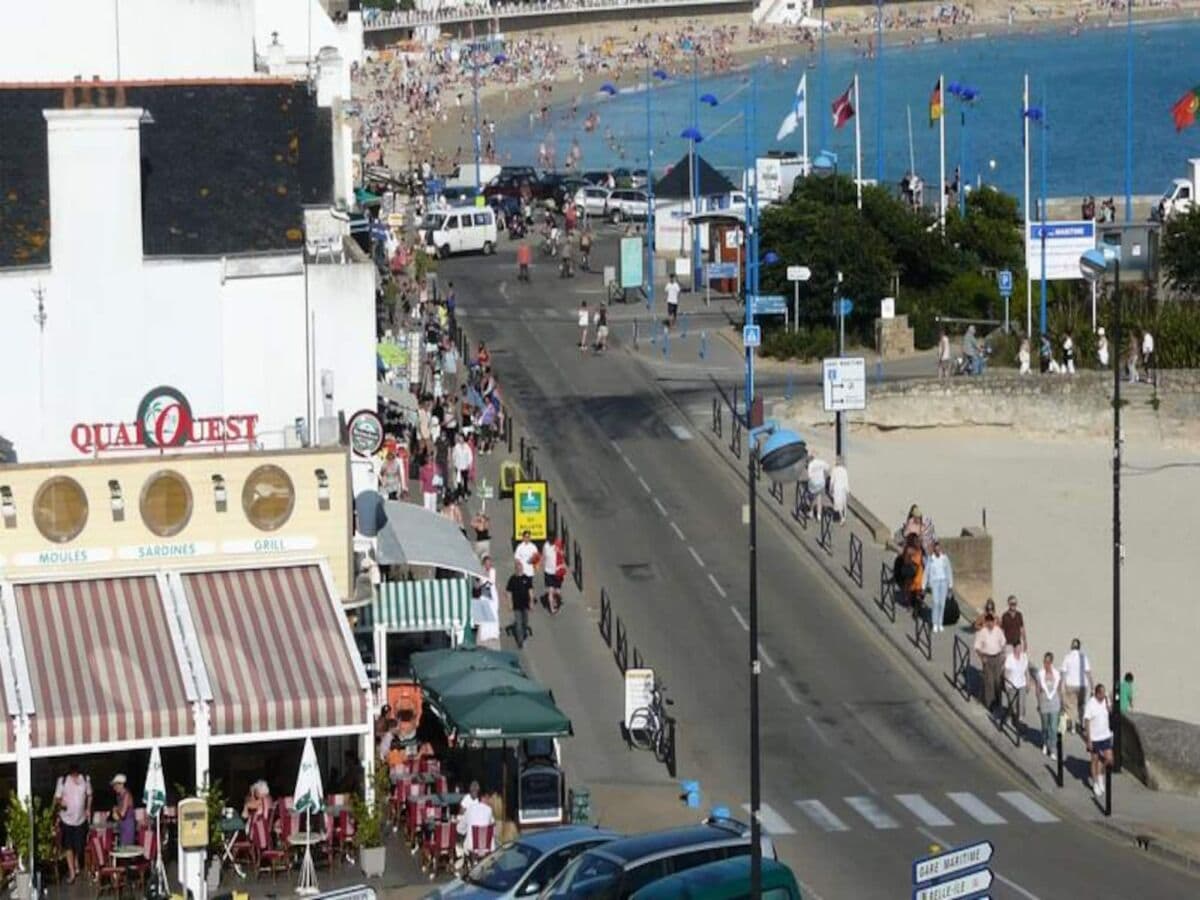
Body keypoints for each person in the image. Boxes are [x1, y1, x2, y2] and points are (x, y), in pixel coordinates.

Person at [55, 761, 92, 883]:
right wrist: (61, 803)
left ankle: (76, 862)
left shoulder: (85, 779)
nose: (74, 771)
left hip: (80, 819)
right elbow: (57, 798)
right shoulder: (63, 780)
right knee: (68, 846)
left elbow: (90, 795)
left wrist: (88, 808)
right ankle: (71, 872)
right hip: (66, 819)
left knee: (79, 846)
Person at [1084, 684, 1114, 798]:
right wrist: (1089, 739)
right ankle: (1096, 782)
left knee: (1109, 759)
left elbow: (1110, 712)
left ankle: (1100, 775)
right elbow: (1086, 721)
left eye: (1104, 693)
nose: (1103, 695)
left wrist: (1108, 703)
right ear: (1096, 693)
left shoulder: (1105, 700)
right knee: (1095, 760)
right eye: (1101, 693)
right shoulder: (1090, 704)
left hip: (1105, 735)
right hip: (1095, 737)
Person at [973, 613, 1006, 712]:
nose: (990, 623)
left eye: (992, 621)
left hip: (997, 657)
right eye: (989, 621)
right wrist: (982, 657)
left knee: (998, 681)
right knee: (989, 681)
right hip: (987, 658)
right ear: (986, 622)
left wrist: (1002, 654)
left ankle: (998, 701)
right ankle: (990, 704)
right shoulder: (982, 632)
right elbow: (977, 647)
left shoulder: (998, 630)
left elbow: (1003, 642)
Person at [1060, 638, 1092, 733]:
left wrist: (1062, 685)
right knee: (1081, 705)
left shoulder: (1067, 657)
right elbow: (1088, 672)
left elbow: (1063, 673)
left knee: (1071, 706)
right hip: (1082, 685)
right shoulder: (1083, 657)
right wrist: (1092, 685)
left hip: (1070, 684)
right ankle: (1082, 724)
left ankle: (1073, 726)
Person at [922, 539, 953, 633]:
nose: (938, 550)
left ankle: (940, 623)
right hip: (935, 582)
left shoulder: (945, 558)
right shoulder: (931, 559)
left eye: (939, 548)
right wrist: (923, 586)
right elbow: (926, 573)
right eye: (936, 548)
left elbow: (949, 571)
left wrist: (950, 585)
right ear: (934, 550)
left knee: (942, 603)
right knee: (935, 602)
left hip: (943, 582)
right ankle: (935, 623)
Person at [1035, 651, 1063, 757]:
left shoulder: (1056, 674)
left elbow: (1059, 690)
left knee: (1053, 727)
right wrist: (1038, 703)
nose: (1046, 664)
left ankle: (1053, 748)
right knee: (1045, 726)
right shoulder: (1040, 674)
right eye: (1044, 661)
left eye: (1048, 662)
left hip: (1055, 703)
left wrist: (1061, 704)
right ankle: (1045, 743)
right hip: (1044, 703)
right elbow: (1038, 690)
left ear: (1051, 662)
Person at [505, 568, 534, 648]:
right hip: (516, 605)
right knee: (518, 623)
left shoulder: (526, 578)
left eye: (520, 568)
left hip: (525, 605)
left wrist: (531, 602)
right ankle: (520, 641)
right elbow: (509, 592)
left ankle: (523, 633)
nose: (519, 570)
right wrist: (509, 603)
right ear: (515, 569)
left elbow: (530, 591)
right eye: (518, 569)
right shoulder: (512, 579)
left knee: (525, 621)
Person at [1004, 641, 1030, 726]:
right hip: (1012, 684)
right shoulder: (1010, 658)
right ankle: (1010, 717)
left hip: (1022, 684)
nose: (1019, 649)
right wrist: (1006, 684)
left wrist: (1028, 682)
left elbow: (1026, 671)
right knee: (1013, 704)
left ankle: (1020, 719)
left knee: (1022, 703)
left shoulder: (1024, 657)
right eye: (1018, 647)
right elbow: (1006, 672)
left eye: (1020, 647)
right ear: (1014, 648)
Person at [111, 774, 136, 847]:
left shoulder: (126, 795)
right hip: (122, 824)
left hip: (128, 825)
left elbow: (122, 814)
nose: (114, 788)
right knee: (122, 847)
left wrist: (116, 809)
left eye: (115, 785)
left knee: (127, 849)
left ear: (121, 785)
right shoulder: (119, 796)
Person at [542, 536, 564, 614]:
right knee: (551, 591)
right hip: (549, 572)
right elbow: (544, 557)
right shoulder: (546, 545)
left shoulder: (558, 544)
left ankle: (556, 601)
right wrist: (543, 566)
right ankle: (552, 608)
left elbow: (563, 554)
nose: (551, 541)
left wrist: (558, 551)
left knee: (558, 591)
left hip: (557, 571)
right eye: (550, 540)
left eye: (552, 540)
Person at [806, 454, 830, 521]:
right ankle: (819, 515)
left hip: (814, 484)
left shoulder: (810, 465)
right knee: (819, 497)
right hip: (821, 483)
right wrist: (825, 476)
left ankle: (811, 511)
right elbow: (828, 467)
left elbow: (809, 476)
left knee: (812, 496)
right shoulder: (820, 462)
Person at [452, 432, 474, 499]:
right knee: (459, 482)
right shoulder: (456, 447)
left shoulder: (467, 447)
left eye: (462, 438)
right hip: (458, 467)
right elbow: (454, 455)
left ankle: (465, 494)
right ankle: (459, 495)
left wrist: (469, 464)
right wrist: (455, 463)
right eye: (459, 438)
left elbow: (470, 456)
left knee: (465, 482)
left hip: (465, 467)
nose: (461, 440)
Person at [830, 456, 850, 525]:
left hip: (837, 488)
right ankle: (844, 516)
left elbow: (832, 481)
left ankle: (841, 518)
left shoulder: (834, 470)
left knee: (838, 503)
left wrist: (830, 489)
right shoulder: (844, 470)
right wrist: (848, 491)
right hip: (843, 488)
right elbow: (846, 481)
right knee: (843, 503)